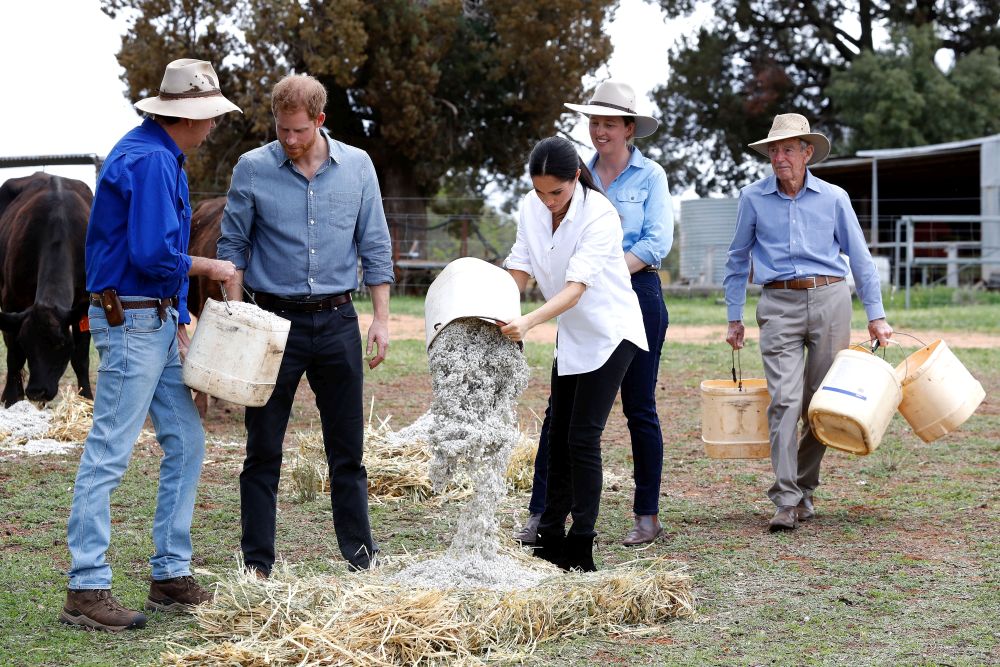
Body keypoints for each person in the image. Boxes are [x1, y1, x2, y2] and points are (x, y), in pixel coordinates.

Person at [62, 59, 241, 632]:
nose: (212, 125)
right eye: (209, 116)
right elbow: (151, 254)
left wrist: (179, 310)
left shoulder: (157, 154)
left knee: (187, 440)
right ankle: (86, 587)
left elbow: (152, 255)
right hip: (134, 321)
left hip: (154, 319)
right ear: (188, 116)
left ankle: (169, 572)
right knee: (110, 449)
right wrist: (209, 265)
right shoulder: (150, 161)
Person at [217, 74, 393, 576]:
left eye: (298, 131)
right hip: (273, 324)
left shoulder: (358, 166)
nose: (289, 140)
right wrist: (236, 315)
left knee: (348, 449)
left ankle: (361, 559)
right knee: (263, 448)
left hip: (338, 320)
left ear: (320, 120)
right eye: (281, 130)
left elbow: (375, 244)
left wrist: (380, 318)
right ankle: (257, 566)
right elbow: (234, 247)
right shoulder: (252, 169)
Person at [513, 80, 673, 547]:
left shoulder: (650, 177)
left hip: (632, 292)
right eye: (594, 122)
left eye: (609, 123)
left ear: (629, 128)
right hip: (576, 300)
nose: (600, 130)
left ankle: (647, 514)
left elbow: (655, 243)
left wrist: (605, 272)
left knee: (639, 407)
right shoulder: (568, 173)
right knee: (557, 417)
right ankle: (542, 511)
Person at [722, 113, 893, 532]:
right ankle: (785, 498)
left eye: (787, 149)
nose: (779, 157)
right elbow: (736, 259)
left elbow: (860, 258)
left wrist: (877, 315)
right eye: (773, 150)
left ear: (807, 152)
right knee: (784, 401)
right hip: (778, 303)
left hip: (832, 299)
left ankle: (804, 487)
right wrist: (734, 316)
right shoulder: (753, 198)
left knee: (820, 403)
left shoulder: (834, 198)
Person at [501, 136, 648, 571]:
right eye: (540, 191)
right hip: (573, 334)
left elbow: (577, 288)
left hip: (610, 334)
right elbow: (520, 264)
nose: (547, 201)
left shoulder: (600, 215)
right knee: (557, 435)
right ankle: (549, 533)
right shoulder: (532, 207)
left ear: (577, 178)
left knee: (582, 438)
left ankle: (582, 542)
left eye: (557, 192)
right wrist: (498, 308)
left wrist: (527, 322)